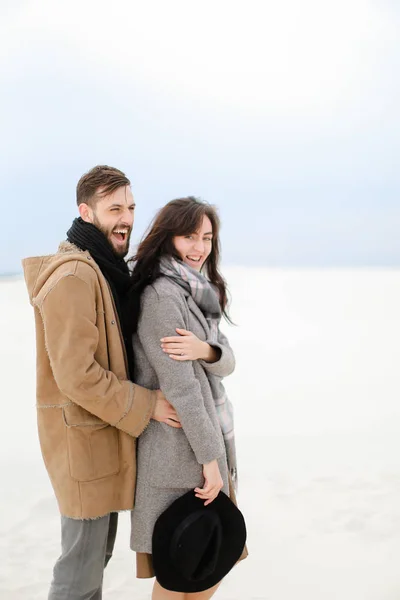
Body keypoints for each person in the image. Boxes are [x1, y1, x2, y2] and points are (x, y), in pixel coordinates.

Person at [22, 165, 180, 600]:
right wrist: (147, 404)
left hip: (99, 440)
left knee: (93, 563)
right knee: (79, 570)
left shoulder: (103, 269)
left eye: (130, 207)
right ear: (86, 212)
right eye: (114, 208)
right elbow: (77, 375)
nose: (126, 217)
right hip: (83, 446)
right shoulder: (74, 276)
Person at [130, 196, 247, 599]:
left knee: (210, 563)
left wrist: (205, 350)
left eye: (207, 238)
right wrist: (211, 462)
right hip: (179, 453)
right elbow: (182, 390)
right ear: (168, 238)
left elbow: (227, 360)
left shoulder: (202, 294)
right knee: (181, 569)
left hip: (204, 445)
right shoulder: (163, 296)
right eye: (188, 237)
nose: (199, 248)